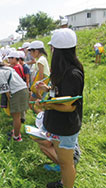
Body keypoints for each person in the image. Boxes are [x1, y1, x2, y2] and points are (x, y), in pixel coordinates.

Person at [35, 28, 84, 188]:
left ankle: (67, 183)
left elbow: (70, 107)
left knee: (66, 164)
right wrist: (47, 89)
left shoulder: (72, 74)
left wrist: (47, 105)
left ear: (57, 50)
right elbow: (61, 93)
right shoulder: (62, 71)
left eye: (52, 48)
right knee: (62, 161)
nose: (51, 50)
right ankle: (63, 181)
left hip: (66, 125)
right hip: (58, 124)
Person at [0, 55, 29, 142]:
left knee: (16, 116)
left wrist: (9, 100)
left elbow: (5, 89)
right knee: (19, 114)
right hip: (24, 89)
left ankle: (16, 137)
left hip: (17, 92)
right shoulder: (8, 68)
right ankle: (16, 131)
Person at [28, 41, 50, 113]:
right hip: (42, 85)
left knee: (34, 104)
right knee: (34, 104)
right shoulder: (42, 59)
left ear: (36, 51)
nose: (30, 54)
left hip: (40, 86)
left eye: (31, 51)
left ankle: (42, 118)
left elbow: (41, 76)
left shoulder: (40, 61)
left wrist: (38, 90)